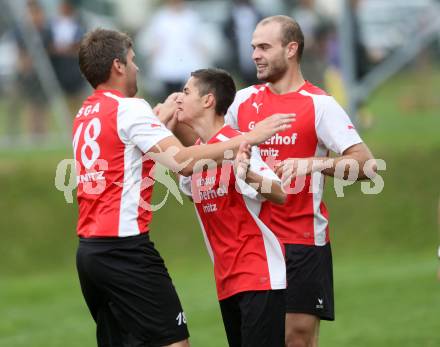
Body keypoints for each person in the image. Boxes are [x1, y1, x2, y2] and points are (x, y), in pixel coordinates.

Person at [73, 28, 293, 347]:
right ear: (118, 66)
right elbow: (183, 161)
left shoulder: (84, 114)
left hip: (90, 254)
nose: (138, 68)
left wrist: (163, 116)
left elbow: (134, 146)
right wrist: (248, 137)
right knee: (174, 342)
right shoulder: (129, 108)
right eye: (133, 61)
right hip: (125, 249)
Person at [225, 16, 377, 347]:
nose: (255, 55)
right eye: (253, 47)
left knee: (297, 338)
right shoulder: (242, 102)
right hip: (254, 243)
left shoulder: (319, 105)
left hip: (302, 241)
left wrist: (314, 164)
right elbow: (211, 144)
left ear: (291, 49)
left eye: (264, 47)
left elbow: (367, 165)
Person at [176, 68, 287, 346]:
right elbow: (192, 189)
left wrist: (247, 173)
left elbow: (279, 192)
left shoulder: (236, 143)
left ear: (208, 100)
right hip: (227, 280)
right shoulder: (200, 155)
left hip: (258, 275)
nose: (179, 97)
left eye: (187, 91)